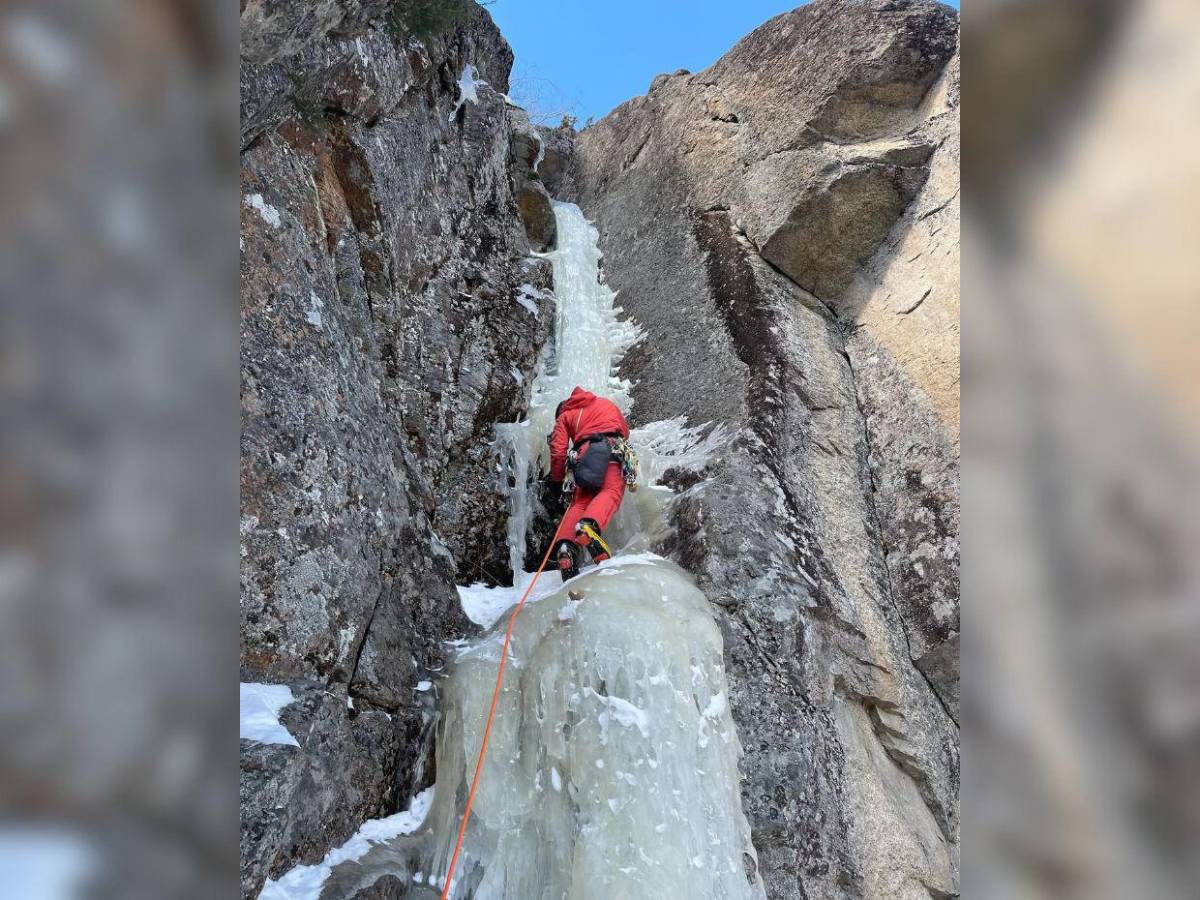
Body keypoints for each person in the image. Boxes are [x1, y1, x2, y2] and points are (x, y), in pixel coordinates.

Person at [546, 386, 631, 581]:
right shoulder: (606, 403)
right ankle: (588, 526)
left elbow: (558, 451)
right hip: (611, 450)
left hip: (583, 456)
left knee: (580, 502)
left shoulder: (565, 415)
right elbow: (624, 432)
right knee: (610, 490)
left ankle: (566, 547)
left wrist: (557, 481)